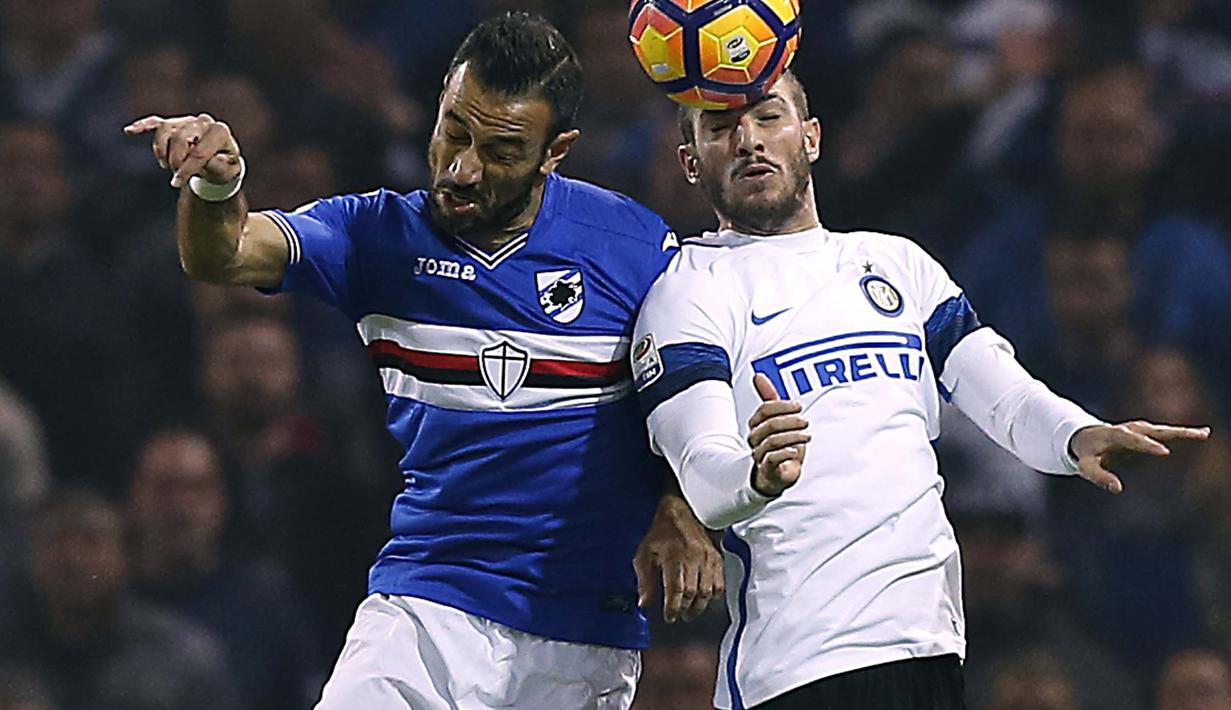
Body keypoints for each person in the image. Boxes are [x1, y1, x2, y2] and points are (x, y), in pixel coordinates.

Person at [124, 12, 721, 709]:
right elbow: (220, 254)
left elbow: (688, 389)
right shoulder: (377, 234)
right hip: (425, 610)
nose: (463, 167)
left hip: (584, 629)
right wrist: (216, 188)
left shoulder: (632, 245)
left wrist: (679, 505)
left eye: (500, 150)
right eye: (454, 132)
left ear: (555, 151)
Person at [631, 68, 1211, 709]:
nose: (748, 140)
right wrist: (757, 475)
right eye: (720, 129)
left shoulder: (896, 264)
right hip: (801, 662)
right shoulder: (690, 290)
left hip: (930, 644)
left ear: (813, 136)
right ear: (691, 162)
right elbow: (705, 475)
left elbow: (1005, 395)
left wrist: (1076, 433)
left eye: (769, 117)